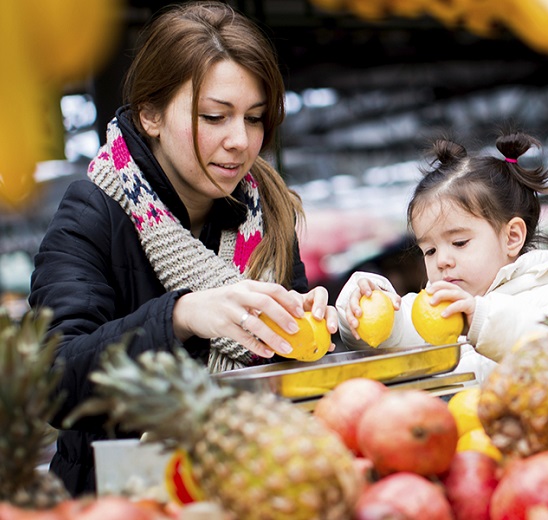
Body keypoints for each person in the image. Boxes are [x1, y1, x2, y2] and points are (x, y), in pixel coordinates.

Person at [28, 1, 337, 496]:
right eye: (214, 116)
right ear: (150, 114)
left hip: (254, 487)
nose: (240, 141)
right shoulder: (93, 212)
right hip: (124, 498)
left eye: (255, 118)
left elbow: (294, 373)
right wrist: (180, 316)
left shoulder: (267, 212)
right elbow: (53, 381)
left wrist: (327, 326)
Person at [336, 129, 548, 382]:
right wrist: (359, 310)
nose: (442, 261)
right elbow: (388, 337)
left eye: (459, 242)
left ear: (512, 237)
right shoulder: (437, 308)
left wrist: (481, 319)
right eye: (430, 250)